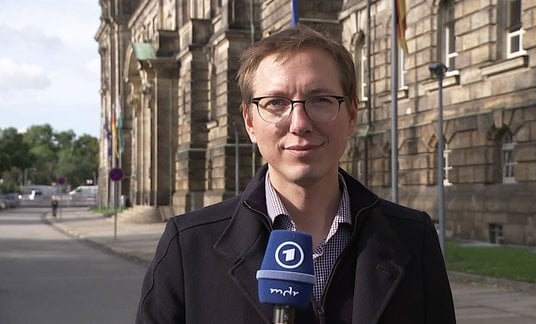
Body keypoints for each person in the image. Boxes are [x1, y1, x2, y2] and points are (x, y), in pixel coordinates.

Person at [136, 25, 456, 323]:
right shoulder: (189, 245)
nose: (299, 122)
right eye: (276, 102)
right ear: (250, 121)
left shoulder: (414, 237)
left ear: (351, 116)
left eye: (319, 100)